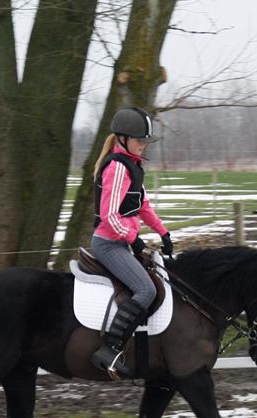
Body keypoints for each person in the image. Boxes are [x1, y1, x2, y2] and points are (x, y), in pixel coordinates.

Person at [89, 106, 174, 379]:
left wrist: (164, 232)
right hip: (108, 243)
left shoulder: (133, 167)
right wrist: (133, 240)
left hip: (121, 242)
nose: (143, 144)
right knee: (146, 290)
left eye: (145, 140)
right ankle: (109, 349)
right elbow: (108, 215)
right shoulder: (116, 167)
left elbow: (143, 205)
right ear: (123, 139)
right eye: (140, 140)